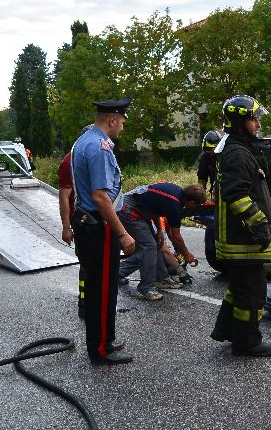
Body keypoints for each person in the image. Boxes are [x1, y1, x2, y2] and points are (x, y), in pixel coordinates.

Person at [210, 95, 271, 357]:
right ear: (240, 122)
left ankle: (228, 330)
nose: (258, 124)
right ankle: (247, 342)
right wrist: (260, 225)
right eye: (253, 119)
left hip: (240, 237)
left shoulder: (238, 148)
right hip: (243, 239)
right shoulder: (238, 153)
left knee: (240, 289)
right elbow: (236, 195)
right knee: (252, 293)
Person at [71, 96, 135, 366]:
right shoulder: (100, 147)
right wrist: (122, 233)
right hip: (100, 226)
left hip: (88, 223)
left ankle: (103, 339)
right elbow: (100, 196)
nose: (122, 127)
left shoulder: (84, 141)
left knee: (98, 286)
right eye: (122, 122)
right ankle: (100, 348)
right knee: (103, 290)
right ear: (112, 120)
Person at [117, 183, 206, 299]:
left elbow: (156, 209)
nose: (197, 208)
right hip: (129, 209)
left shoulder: (177, 194)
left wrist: (159, 230)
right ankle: (145, 289)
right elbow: (176, 237)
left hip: (141, 210)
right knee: (149, 247)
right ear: (192, 202)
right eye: (198, 205)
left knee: (155, 245)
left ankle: (161, 278)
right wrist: (187, 255)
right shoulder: (175, 205)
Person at [57, 124, 93, 319]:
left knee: (94, 263)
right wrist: (66, 227)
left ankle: (94, 299)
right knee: (86, 264)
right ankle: (84, 302)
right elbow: (64, 197)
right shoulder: (69, 162)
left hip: (95, 220)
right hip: (82, 221)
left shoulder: (91, 157)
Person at [197, 129, 222, 194]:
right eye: (207, 150)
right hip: (215, 193)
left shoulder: (227, 156)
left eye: (212, 149)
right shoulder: (205, 157)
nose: (209, 152)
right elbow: (202, 177)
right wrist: (201, 194)